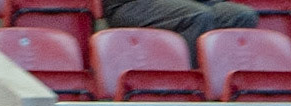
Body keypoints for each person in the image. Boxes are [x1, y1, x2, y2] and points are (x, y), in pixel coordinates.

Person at [102, 0, 257, 58]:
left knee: (242, 15)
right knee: (197, 15)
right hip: (130, 5)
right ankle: (191, 89)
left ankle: (225, 89)